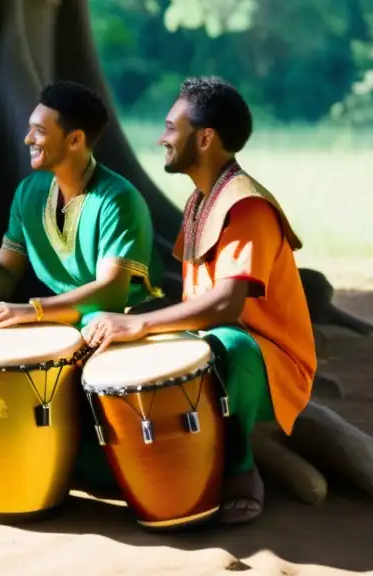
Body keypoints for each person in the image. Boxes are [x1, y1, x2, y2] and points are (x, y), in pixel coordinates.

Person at [80, 77, 316, 525]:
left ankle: (242, 468)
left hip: (266, 360)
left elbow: (226, 305)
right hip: (212, 343)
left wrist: (142, 326)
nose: (162, 137)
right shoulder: (199, 200)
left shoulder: (247, 207)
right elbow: (194, 297)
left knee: (231, 344)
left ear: (205, 138)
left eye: (172, 127)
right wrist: (130, 319)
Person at [0, 81, 164, 339]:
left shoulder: (118, 200)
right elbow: (5, 273)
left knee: (96, 321)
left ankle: (17, 355)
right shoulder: (29, 192)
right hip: (50, 319)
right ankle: (20, 355)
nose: (28, 139)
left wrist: (31, 311)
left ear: (74, 140)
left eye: (39, 131)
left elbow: (109, 292)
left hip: (108, 320)